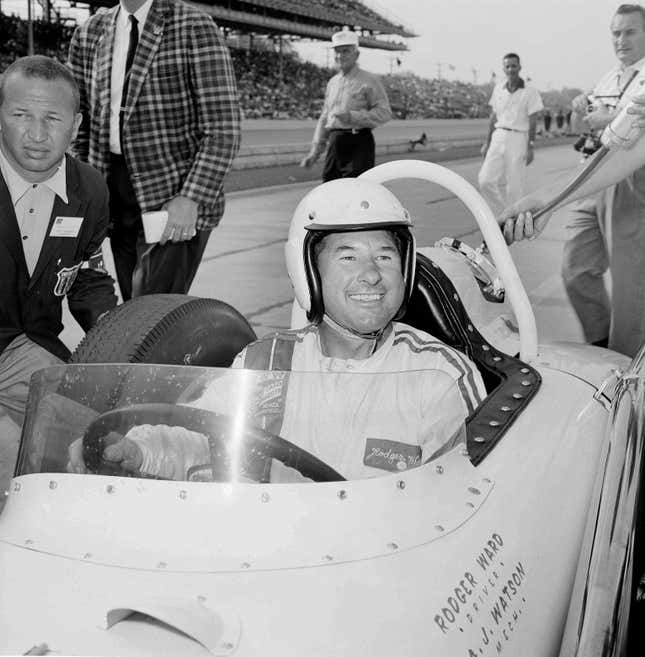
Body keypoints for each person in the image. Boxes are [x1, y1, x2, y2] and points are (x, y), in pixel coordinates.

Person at [68, 179, 486, 481]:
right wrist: (135, 451)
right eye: (348, 258)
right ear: (308, 272)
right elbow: (198, 441)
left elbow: (462, 504)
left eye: (385, 257)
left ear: (406, 269)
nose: (372, 275)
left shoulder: (443, 376)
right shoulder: (264, 361)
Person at [67, 0, 241, 301]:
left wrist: (192, 197)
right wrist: (86, 184)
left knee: (150, 312)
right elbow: (78, 122)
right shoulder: (89, 32)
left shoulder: (193, 25)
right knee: (135, 307)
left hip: (173, 196)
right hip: (113, 192)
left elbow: (223, 128)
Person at [0, 56, 117, 499]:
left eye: (52, 118)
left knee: (100, 439)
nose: (36, 134)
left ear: (76, 123)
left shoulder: (89, 188)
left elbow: (89, 275)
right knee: (17, 471)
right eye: (20, 115)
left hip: (27, 348)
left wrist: (116, 341)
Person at [510, 4, 645, 356]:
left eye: (630, 31)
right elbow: (580, 127)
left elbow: (627, 135)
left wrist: (608, 116)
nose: (621, 39)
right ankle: (601, 346)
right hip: (590, 173)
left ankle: (626, 370)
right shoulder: (607, 79)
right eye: (616, 32)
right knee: (576, 270)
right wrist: (578, 111)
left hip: (629, 179)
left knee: (630, 289)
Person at [300, 30, 392, 181]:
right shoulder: (333, 83)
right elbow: (324, 119)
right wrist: (314, 152)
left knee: (356, 190)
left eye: (345, 51)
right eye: (337, 52)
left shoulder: (369, 80)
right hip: (335, 143)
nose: (340, 56)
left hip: (359, 142)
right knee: (330, 189)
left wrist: (352, 116)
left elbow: (384, 112)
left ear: (356, 54)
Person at [478, 53, 543, 217]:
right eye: (507, 66)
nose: (511, 69)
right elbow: (493, 117)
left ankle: (513, 220)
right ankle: (502, 214)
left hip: (518, 137)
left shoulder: (530, 91)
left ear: (519, 67)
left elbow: (533, 121)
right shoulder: (498, 88)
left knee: (514, 186)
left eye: (514, 66)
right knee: (485, 180)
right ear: (503, 69)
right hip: (498, 136)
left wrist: (531, 147)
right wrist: (487, 142)